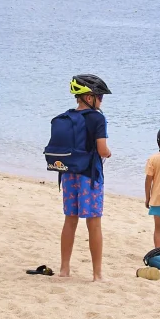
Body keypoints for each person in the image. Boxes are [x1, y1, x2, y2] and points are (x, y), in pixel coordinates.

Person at [56, 74, 111, 281]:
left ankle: (64, 269)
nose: (102, 100)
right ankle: (97, 275)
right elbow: (102, 149)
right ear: (89, 97)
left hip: (69, 175)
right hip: (90, 175)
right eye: (100, 96)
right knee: (94, 223)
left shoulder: (67, 116)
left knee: (70, 221)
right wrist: (108, 153)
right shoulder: (98, 118)